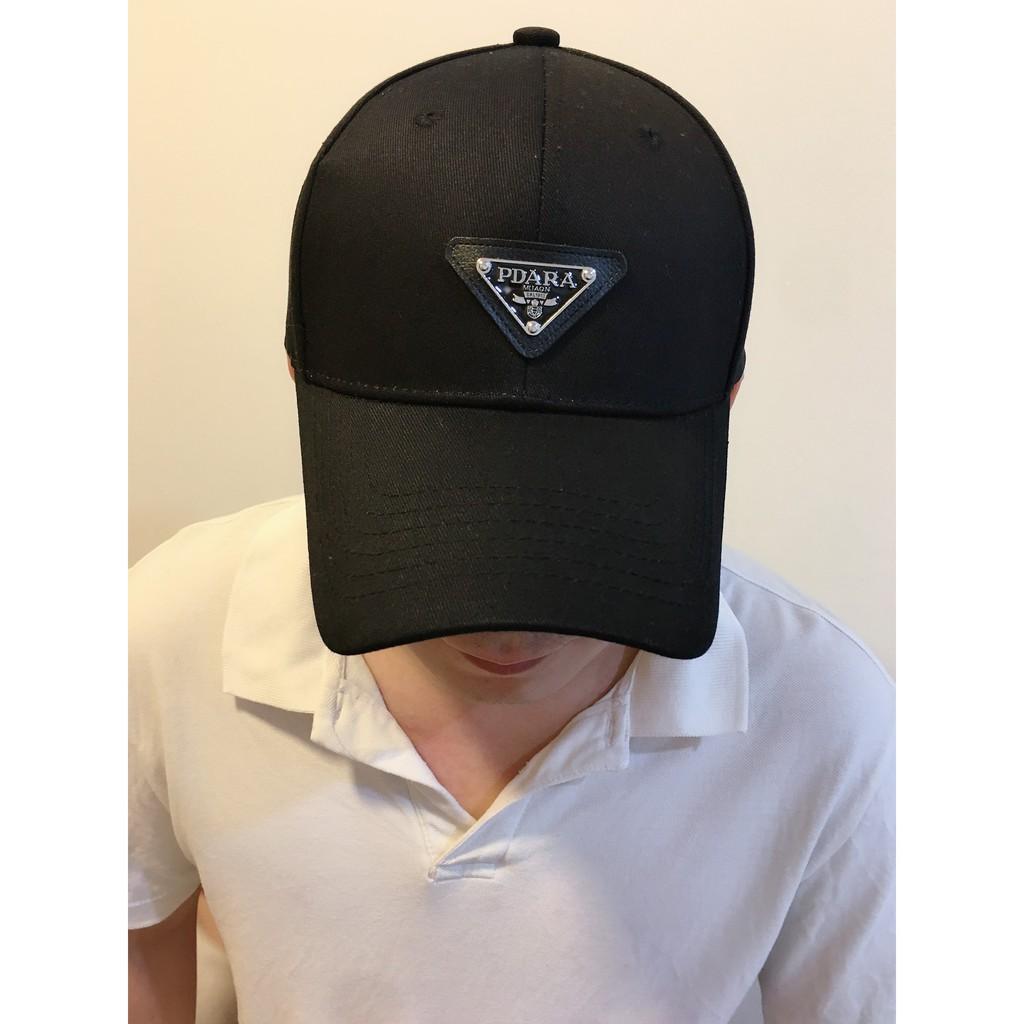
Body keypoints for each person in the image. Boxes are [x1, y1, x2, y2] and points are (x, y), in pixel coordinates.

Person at [129, 27, 895, 1024]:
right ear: (299, 373)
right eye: (438, 512)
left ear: (727, 398)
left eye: (580, 524)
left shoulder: (823, 713)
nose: (509, 625)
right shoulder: (171, 634)